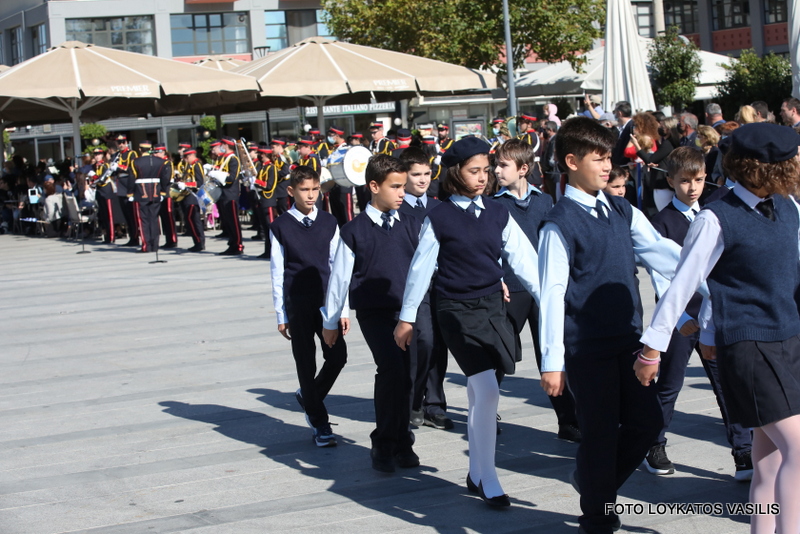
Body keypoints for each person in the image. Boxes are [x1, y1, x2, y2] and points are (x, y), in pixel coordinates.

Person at [640, 122, 800, 534]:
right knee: (797, 449)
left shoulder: (787, 206)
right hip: (748, 347)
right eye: (790, 161)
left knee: (769, 460)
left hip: (789, 340)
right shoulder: (715, 218)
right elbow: (682, 285)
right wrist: (652, 348)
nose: (797, 166)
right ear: (763, 167)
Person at [538, 116, 685, 534]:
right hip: (586, 348)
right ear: (571, 162)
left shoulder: (621, 209)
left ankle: (593, 485)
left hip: (628, 341)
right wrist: (552, 361)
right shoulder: (559, 222)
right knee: (600, 434)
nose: (608, 167)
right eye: (598, 159)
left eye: (609, 158)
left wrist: (712, 281)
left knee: (647, 423)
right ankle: (598, 516)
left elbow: (662, 253)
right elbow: (551, 293)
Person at [394, 137, 541, 507]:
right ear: (456, 172)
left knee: (482, 390)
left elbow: (526, 262)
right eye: (474, 171)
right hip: (455, 311)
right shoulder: (439, 216)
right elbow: (420, 270)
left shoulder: (498, 212)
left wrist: (554, 304)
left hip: (493, 308)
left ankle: (476, 472)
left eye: (486, 171)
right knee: (488, 389)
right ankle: (489, 477)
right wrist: (407, 318)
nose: (482, 177)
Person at [645, 146, 753, 480]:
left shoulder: (713, 214)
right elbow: (660, 276)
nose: (692, 187)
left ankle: (743, 452)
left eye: (699, 180)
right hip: (682, 318)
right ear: (670, 181)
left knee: (726, 385)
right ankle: (654, 444)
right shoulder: (661, 222)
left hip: (713, 315)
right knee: (669, 385)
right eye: (685, 181)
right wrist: (679, 319)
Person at [321, 155, 421, 474]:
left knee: (407, 376)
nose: (402, 193)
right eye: (395, 187)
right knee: (391, 369)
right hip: (374, 311)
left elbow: (426, 265)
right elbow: (339, 278)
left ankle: (402, 440)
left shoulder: (412, 224)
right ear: (374, 187)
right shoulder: (354, 231)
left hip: (408, 312)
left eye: (404, 186)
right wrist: (331, 320)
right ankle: (384, 443)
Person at [493, 139, 580, 442]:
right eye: (496, 164)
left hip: (545, 288)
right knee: (501, 351)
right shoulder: (494, 205)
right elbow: (490, 247)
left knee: (551, 352)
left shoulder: (544, 201)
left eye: (503, 165)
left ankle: (568, 421)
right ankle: (487, 412)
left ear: (523, 169)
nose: (496, 170)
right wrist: (497, 277)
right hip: (512, 288)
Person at [270, 165, 349, 447]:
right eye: (305, 190)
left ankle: (309, 395)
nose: (311, 195)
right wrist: (281, 314)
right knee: (305, 361)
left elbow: (338, 267)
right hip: (298, 302)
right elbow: (277, 272)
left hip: (327, 302)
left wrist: (343, 308)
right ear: (292, 191)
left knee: (338, 356)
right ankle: (319, 422)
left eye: (315, 189)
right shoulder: (280, 226)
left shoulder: (329, 222)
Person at [396, 148, 452, 431]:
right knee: (424, 341)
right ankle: (413, 399)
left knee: (439, 344)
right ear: (403, 176)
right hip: (414, 287)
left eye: (427, 173)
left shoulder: (438, 207)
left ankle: (434, 405)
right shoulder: (397, 209)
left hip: (442, 284)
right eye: (415, 174)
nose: (422, 180)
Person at [129, 144, 172, 253]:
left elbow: (132, 178)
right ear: (151, 149)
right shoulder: (161, 161)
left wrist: (130, 193)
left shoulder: (135, 162)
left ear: (140, 149)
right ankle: (155, 245)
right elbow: (165, 178)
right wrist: (162, 192)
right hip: (156, 192)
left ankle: (146, 245)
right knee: (154, 219)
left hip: (141, 192)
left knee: (143, 220)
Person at [208, 137, 243, 256]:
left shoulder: (233, 159)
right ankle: (232, 244)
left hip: (230, 194)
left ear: (226, 145)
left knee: (234, 222)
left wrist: (218, 174)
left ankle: (238, 245)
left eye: (222, 144)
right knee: (227, 222)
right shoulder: (222, 158)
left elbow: (232, 177)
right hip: (222, 193)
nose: (220, 146)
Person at [323, 125, 355, 227]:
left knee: (347, 217)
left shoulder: (348, 150)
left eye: (331, 135)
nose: (329, 137)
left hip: (344, 186)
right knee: (337, 216)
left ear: (337, 135)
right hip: (333, 186)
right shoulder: (334, 149)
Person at [176, 148, 205, 252]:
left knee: (192, 219)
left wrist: (186, 184)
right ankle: (197, 242)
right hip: (187, 196)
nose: (185, 159)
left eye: (186, 157)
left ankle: (199, 242)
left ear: (192, 155)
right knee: (190, 220)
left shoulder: (197, 165)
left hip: (193, 196)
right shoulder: (189, 165)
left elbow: (200, 182)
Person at [252, 145, 279, 259]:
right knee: (265, 226)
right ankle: (267, 250)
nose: (259, 155)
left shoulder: (272, 168)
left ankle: (274, 251)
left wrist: (257, 182)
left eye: (260, 153)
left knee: (271, 226)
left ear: (264, 154)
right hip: (261, 199)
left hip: (268, 200)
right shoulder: (262, 167)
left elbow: (270, 186)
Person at [113, 134, 139, 246]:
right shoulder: (116, 155)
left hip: (129, 184)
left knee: (132, 214)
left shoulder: (131, 153)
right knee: (126, 214)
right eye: (119, 143)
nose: (121, 144)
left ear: (127, 142)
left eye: (123, 142)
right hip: (120, 185)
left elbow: (133, 169)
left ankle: (135, 237)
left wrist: (119, 167)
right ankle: (132, 237)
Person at [152, 144, 177, 249]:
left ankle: (173, 240)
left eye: (157, 152)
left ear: (163, 152)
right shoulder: (159, 163)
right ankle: (168, 240)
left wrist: (162, 191)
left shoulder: (167, 163)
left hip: (166, 193)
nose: (155, 154)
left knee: (169, 217)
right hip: (160, 193)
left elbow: (166, 179)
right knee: (164, 218)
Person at [89, 148, 114, 243]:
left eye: (98, 154)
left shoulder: (105, 165)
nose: (97, 156)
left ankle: (111, 236)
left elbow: (102, 179)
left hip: (106, 191)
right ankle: (106, 235)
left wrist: (94, 176)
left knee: (108, 215)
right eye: (95, 154)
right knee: (102, 215)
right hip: (99, 191)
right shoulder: (95, 166)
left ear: (102, 155)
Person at [269, 137, 292, 216]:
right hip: (278, 189)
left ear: (279, 146)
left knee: (285, 211)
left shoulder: (284, 157)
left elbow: (285, 171)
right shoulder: (276, 158)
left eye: (273, 147)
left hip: (284, 189)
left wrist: (273, 176)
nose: (271, 149)